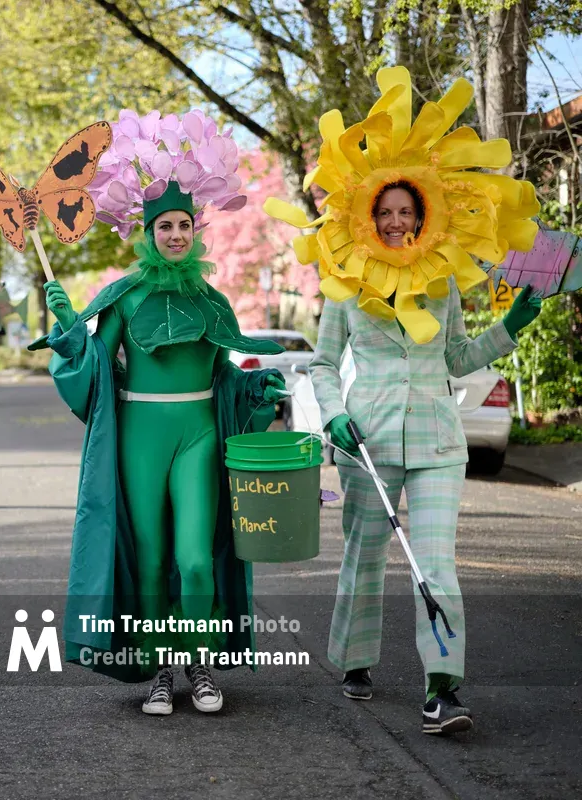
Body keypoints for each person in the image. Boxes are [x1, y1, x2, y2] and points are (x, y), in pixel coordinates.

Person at [32, 109, 288, 716]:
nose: (174, 235)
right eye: (163, 226)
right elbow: (94, 364)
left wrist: (257, 392)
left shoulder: (212, 298)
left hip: (197, 433)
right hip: (139, 436)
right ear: (147, 232)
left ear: (196, 230)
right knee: (149, 560)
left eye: (182, 225)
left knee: (195, 558)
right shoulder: (125, 295)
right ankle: (158, 668)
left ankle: (199, 663)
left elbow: (225, 374)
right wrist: (69, 330)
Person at [310, 181, 542, 734]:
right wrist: (332, 413)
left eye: (405, 212)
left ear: (421, 217)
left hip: (438, 440)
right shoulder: (344, 284)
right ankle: (356, 658)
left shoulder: (442, 281)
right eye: (385, 212)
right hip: (369, 439)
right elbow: (321, 363)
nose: (395, 222)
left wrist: (507, 331)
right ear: (370, 218)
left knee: (434, 564)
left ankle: (443, 689)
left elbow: (458, 358)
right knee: (365, 557)